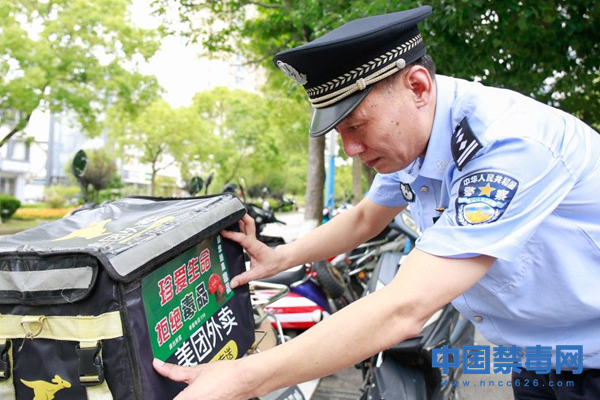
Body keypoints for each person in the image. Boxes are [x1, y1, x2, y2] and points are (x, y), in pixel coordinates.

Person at [153, 5, 600, 399]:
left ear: (418, 87)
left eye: (356, 126)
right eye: (339, 133)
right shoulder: (415, 136)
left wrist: (243, 379)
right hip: (537, 356)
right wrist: (280, 257)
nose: (350, 149)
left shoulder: (507, 146)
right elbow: (366, 216)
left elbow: (405, 307)